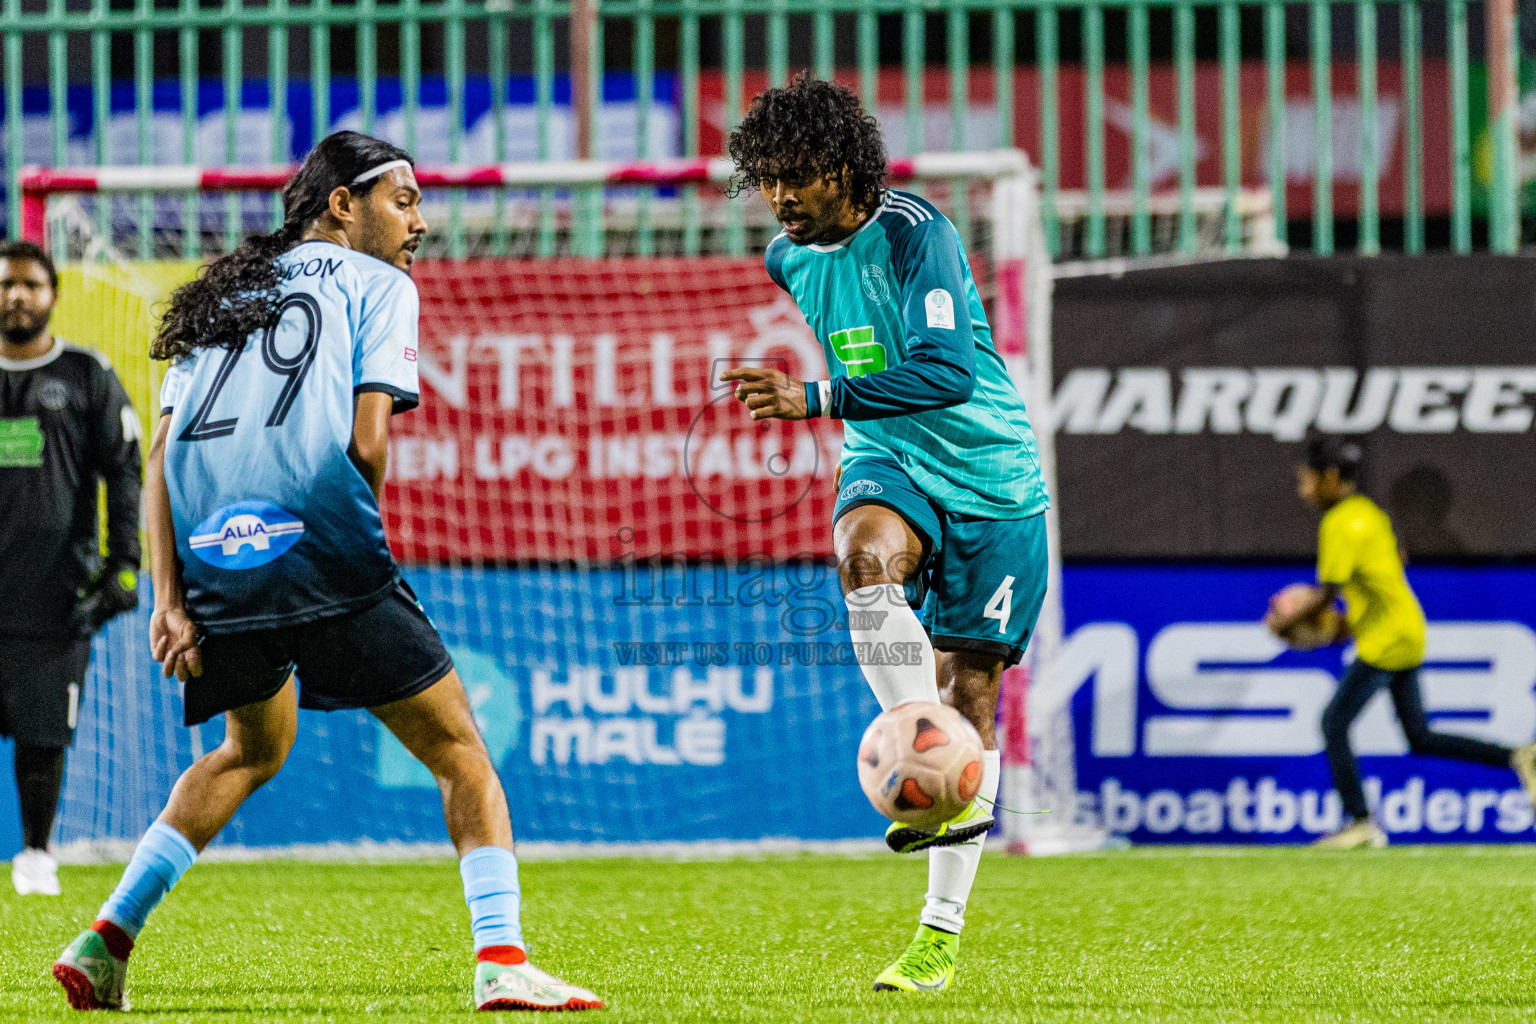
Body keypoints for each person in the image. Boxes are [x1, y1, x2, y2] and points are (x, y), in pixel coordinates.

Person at [51, 132, 602, 1013]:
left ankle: (104, 939)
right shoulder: (379, 285)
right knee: (460, 751)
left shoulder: (215, 301)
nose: (421, 221)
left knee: (250, 748)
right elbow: (366, 442)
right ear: (342, 203)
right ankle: (500, 959)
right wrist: (352, 546)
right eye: (404, 199)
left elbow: (160, 464)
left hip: (215, 562)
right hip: (322, 546)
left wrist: (171, 600)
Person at [721, 76, 1050, 993]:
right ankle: (914, 735)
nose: (780, 197)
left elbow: (945, 371)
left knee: (974, 693)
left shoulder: (916, 231)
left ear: (846, 168)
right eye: (768, 179)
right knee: (863, 555)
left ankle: (937, 938)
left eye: (798, 176)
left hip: (993, 480)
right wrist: (838, 410)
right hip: (890, 462)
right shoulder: (788, 258)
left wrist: (815, 398)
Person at [1267, 435, 1536, 849]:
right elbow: (1393, 564)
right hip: (1405, 627)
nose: (1304, 491)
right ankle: (1518, 756)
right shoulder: (1368, 513)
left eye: (1308, 480)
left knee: (1333, 723)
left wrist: (1284, 624)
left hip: (1387, 640)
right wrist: (1342, 622)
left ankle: (1360, 823)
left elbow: (1326, 593)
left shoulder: (1339, 522)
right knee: (1420, 736)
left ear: (1331, 477)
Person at [0, 240, 142, 897]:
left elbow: (126, 470)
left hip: (56, 593)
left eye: (30, 284)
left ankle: (35, 854)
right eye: (6, 284)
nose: (17, 295)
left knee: (42, 736)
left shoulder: (88, 374)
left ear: (53, 294)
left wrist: (125, 566)